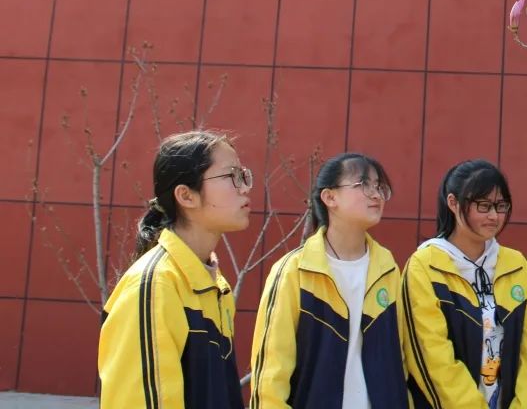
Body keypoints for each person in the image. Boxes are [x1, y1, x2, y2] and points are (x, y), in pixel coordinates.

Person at [98, 130, 252, 408]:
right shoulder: (155, 285)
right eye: (231, 176)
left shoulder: (215, 284)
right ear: (186, 196)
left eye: (243, 175)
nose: (244, 188)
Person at [249, 152, 409, 408]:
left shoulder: (387, 267)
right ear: (330, 197)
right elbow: (271, 371)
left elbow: (399, 358)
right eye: (364, 185)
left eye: (379, 187)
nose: (376, 195)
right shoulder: (294, 271)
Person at [402, 159, 527, 409]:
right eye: (483, 205)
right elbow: (433, 355)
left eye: (500, 206)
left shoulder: (517, 265)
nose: (494, 216)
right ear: (453, 203)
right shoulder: (425, 267)